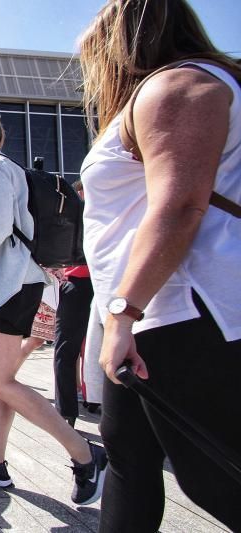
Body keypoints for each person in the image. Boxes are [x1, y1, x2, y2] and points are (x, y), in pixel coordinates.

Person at [78, 1, 241, 531]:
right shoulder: (167, 90)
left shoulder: (179, 85)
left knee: (214, 477)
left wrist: (123, 313)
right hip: (147, 312)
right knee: (127, 460)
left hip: (182, 310)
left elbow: (179, 207)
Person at [0, 108, 106, 505]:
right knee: (2, 380)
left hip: (6, 288)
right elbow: (3, 228)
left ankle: (84, 454)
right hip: (19, 283)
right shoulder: (8, 168)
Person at [53, 181, 94, 427]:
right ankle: (87, 401)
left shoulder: (77, 214)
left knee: (66, 350)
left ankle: (66, 412)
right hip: (105, 283)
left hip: (79, 283)